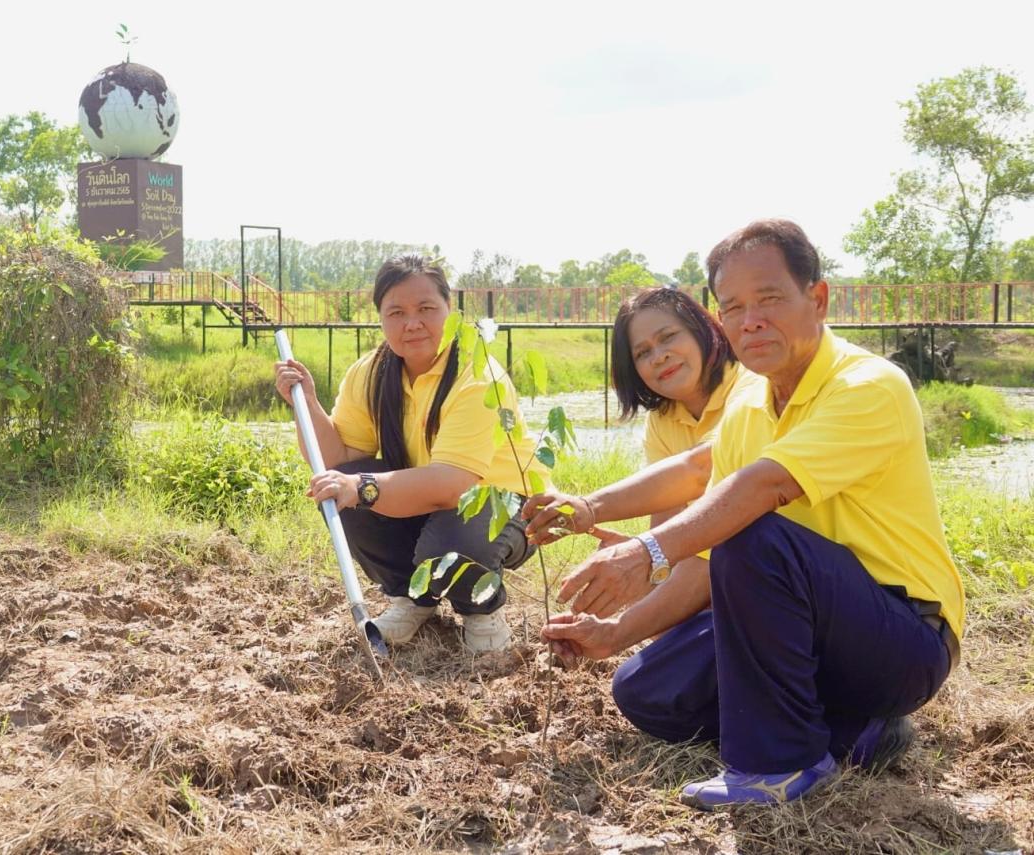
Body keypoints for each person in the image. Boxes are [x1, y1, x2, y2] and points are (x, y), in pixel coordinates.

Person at [525, 219, 964, 808]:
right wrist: (613, 630)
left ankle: (780, 763)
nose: (750, 319)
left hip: (900, 636)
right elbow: (698, 490)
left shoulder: (868, 385)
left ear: (819, 298)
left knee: (749, 532)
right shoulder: (751, 403)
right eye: (733, 306)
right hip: (806, 627)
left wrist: (646, 550)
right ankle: (858, 731)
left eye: (770, 299)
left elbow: (762, 488)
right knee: (647, 691)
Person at [274, 254, 543, 653]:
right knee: (340, 486)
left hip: (501, 503)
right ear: (380, 318)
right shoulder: (370, 371)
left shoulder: (478, 376)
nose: (411, 323)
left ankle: (482, 610)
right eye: (396, 312)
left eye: (426, 309)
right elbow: (339, 458)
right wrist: (306, 403)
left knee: (448, 535)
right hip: (433, 498)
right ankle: (413, 598)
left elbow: (453, 486)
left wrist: (361, 487)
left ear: (451, 313)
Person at [555, 287, 757, 659]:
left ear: (701, 329)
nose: (659, 356)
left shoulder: (751, 386)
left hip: (768, 561)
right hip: (716, 567)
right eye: (642, 352)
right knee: (660, 648)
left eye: (668, 338)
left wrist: (590, 508)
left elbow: (699, 470)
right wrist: (645, 568)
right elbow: (666, 529)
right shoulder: (663, 420)